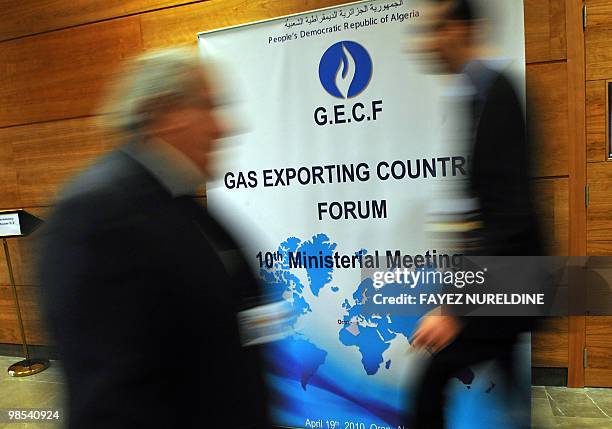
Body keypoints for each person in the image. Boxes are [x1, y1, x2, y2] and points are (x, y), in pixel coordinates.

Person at [38, 48, 270, 429]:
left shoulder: (176, 201)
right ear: (165, 112)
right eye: (209, 106)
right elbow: (108, 400)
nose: (225, 126)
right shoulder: (95, 214)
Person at [406, 1, 543, 428]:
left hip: (507, 280)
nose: (426, 41)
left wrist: (455, 309)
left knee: (430, 382)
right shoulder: (476, 93)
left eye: (436, 28)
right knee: (512, 394)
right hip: (507, 279)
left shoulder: (494, 93)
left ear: (464, 29)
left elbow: (509, 214)